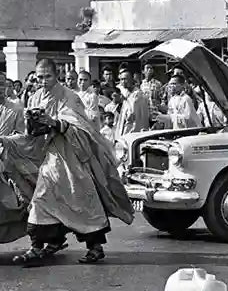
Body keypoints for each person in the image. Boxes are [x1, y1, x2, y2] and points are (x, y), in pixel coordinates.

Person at [5, 59, 134, 264]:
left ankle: (95, 246)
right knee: (42, 199)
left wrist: (55, 123)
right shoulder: (36, 96)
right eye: (39, 77)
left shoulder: (69, 97)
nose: (43, 81)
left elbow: (82, 128)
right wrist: (14, 137)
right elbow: (31, 134)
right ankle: (39, 245)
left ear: (56, 75)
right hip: (50, 158)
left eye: (47, 76)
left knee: (81, 200)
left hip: (71, 157)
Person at [114, 70, 150, 138]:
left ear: (131, 80)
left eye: (125, 79)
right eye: (121, 79)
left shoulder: (138, 95)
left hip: (134, 130)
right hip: (125, 129)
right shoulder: (126, 95)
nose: (123, 82)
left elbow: (135, 114)